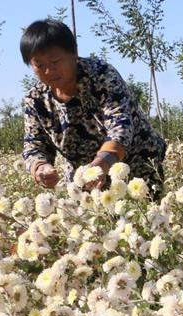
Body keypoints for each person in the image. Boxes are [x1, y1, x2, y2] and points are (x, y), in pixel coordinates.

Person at [20, 19, 166, 196]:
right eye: (39, 65)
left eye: (55, 61)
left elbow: (120, 126)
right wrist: (40, 167)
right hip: (85, 178)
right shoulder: (35, 100)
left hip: (136, 165)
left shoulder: (101, 76)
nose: (49, 71)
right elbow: (34, 145)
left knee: (142, 218)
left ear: (74, 53)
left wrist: (101, 165)